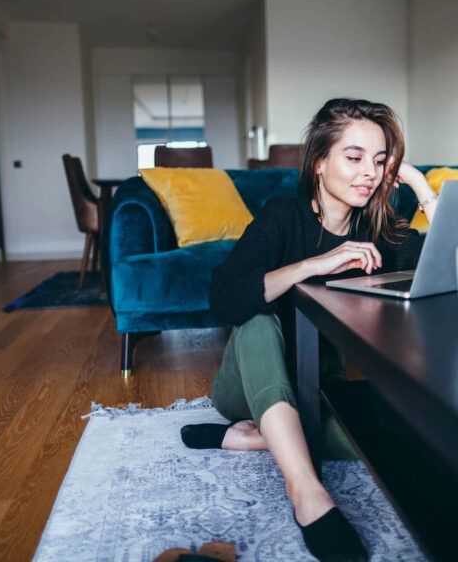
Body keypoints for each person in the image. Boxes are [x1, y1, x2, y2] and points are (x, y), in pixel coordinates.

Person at [180, 98, 439, 561]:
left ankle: (254, 438)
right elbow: (224, 296)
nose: (369, 173)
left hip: (319, 386)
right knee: (257, 314)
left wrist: (420, 185)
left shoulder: (379, 231)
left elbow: (448, 268)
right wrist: (312, 265)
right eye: (354, 157)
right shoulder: (284, 215)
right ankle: (306, 492)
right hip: (247, 383)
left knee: (394, 439)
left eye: (379, 161)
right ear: (319, 162)